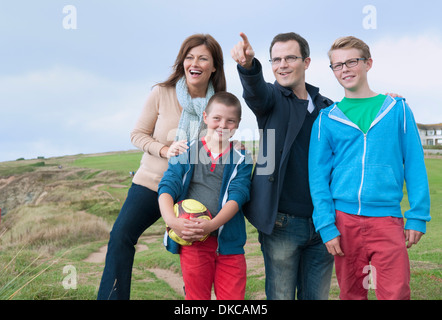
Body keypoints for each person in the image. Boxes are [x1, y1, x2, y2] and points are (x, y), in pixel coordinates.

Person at [97, 34, 226, 300]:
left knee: (193, 249)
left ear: (214, 66)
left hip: (193, 191)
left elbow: (221, 143)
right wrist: (166, 150)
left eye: (203, 58)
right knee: (121, 235)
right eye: (190, 57)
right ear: (182, 62)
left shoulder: (220, 104)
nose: (195, 63)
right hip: (151, 182)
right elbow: (138, 134)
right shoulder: (162, 93)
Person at [308, 36, 431, 300]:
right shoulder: (326, 119)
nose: (345, 69)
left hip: (387, 220)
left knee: (396, 293)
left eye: (352, 61)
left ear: (368, 64)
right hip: (344, 222)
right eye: (337, 65)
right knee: (352, 293)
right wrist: (326, 225)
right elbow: (318, 178)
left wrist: (418, 215)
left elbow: (415, 165)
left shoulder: (396, 109)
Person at [230, 32, 335, 300]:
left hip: (323, 223)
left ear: (307, 62)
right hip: (281, 223)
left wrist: (387, 101)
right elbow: (255, 91)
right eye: (276, 59)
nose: (282, 65)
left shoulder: (327, 108)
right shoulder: (271, 100)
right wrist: (248, 67)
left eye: (290, 57)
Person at [157, 92, 253, 300]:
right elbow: (167, 186)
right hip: (194, 242)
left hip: (230, 243)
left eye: (230, 121)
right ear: (205, 117)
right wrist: (172, 221)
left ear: (237, 124)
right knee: (196, 298)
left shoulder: (241, 157)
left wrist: (212, 225)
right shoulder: (187, 150)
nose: (222, 125)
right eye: (217, 118)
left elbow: (238, 195)